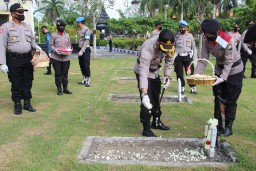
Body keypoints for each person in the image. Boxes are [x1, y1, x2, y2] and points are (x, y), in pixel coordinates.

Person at [196, 19, 243, 137]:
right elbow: (203, 59)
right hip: (219, 69)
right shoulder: (207, 40)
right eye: (206, 35)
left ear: (216, 32)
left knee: (230, 100)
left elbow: (229, 61)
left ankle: (228, 127)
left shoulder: (225, 40)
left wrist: (222, 78)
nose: (208, 37)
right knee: (217, 98)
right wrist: (196, 75)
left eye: (210, 35)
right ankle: (218, 124)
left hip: (233, 71)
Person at [0, 3, 41, 115]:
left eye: (23, 12)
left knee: (28, 81)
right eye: (20, 12)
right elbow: (2, 45)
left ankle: (27, 103)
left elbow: (32, 42)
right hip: (14, 60)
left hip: (27, 59)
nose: (22, 14)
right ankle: (17, 104)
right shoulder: (5, 27)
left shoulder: (27, 27)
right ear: (13, 14)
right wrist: (2, 63)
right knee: (16, 82)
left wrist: (37, 47)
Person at [134, 29, 175, 137]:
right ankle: (146, 128)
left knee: (156, 97)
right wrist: (144, 93)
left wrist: (167, 76)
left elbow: (169, 61)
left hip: (155, 71)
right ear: (159, 42)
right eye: (164, 48)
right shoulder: (148, 48)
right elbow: (143, 71)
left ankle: (156, 121)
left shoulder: (170, 45)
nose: (166, 50)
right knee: (147, 100)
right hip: (143, 71)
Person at [174, 20, 198, 94]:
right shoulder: (176, 36)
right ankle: (181, 88)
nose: (182, 29)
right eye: (181, 27)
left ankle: (192, 88)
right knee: (179, 73)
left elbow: (193, 47)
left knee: (190, 73)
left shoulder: (190, 36)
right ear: (179, 28)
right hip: (179, 57)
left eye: (184, 27)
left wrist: (195, 58)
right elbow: (173, 47)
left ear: (186, 28)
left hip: (187, 57)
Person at [50, 20, 72, 95]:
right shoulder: (53, 35)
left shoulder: (67, 35)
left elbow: (69, 44)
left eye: (63, 26)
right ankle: (59, 89)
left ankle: (65, 88)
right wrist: (56, 50)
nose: (62, 28)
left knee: (65, 74)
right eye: (60, 26)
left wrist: (68, 49)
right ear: (58, 27)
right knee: (58, 74)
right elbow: (51, 45)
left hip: (66, 58)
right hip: (56, 58)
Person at [76, 17, 91, 87]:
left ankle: (88, 81)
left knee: (86, 65)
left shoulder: (86, 30)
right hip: (80, 49)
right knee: (81, 65)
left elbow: (86, 41)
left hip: (85, 50)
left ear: (80, 23)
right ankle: (84, 79)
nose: (77, 24)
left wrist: (82, 50)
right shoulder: (80, 30)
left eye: (78, 23)